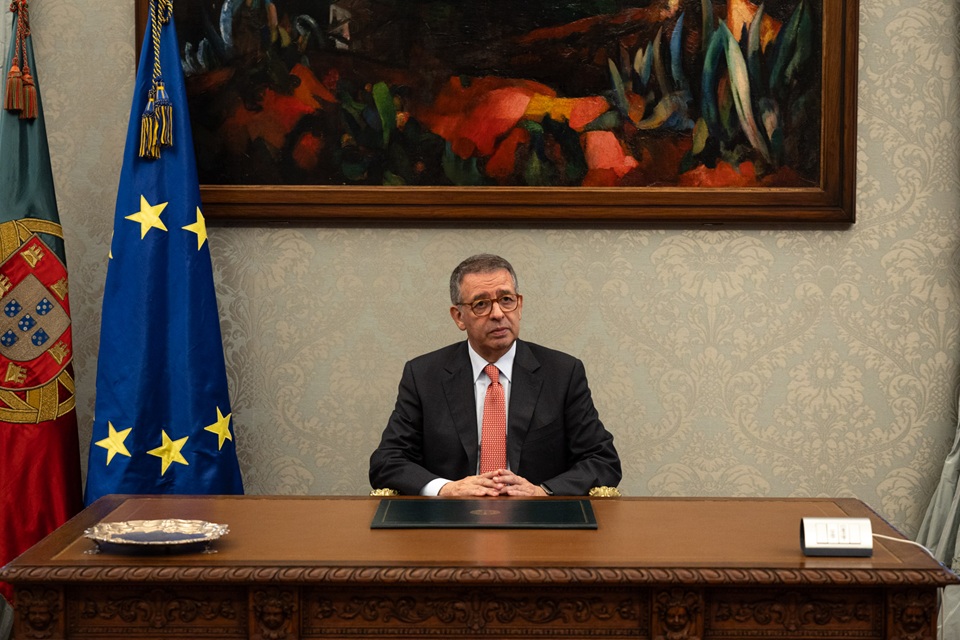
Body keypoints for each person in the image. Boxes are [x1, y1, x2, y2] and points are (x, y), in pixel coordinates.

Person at [369, 254, 621, 497]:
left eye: (506, 300)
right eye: (481, 304)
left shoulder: (563, 373)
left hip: (538, 518)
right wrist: (447, 489)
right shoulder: (424, 375)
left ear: (519, 305)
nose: (498, 313)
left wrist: (541, 492)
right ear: (459, 317)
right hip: (450, 518)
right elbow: (387, 461)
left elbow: (602, 460)